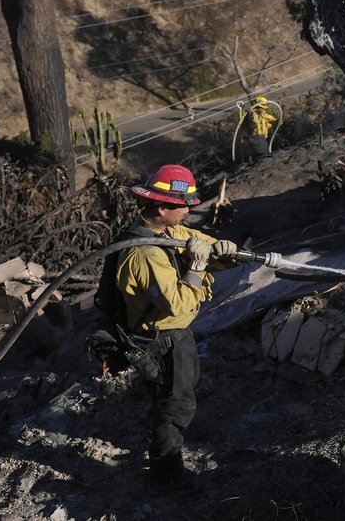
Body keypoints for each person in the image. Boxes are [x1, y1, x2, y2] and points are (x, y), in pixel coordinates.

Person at [106, 164, 237, 492]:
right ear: (162, 207)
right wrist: (197, 266)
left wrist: (223, 251)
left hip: (176, 336)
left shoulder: (168, 231)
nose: (188, 212)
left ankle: (163, 442)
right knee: (176, 402)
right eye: (182, 206)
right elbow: (177, 303)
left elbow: (200, 242)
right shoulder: (145, 253)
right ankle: (166, 474)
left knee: (177, 394)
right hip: (160, 340)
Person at [241, 95, 277, 159]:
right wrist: (251, 112)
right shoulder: (252, 114)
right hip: (255, 138)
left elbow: (270, 119)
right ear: (258, 107)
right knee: (261, 155)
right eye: (262, 107)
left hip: (262, 138)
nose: (264, 109)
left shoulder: (262, 114)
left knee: (265, 153)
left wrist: (277, 121)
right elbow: (255, 122)